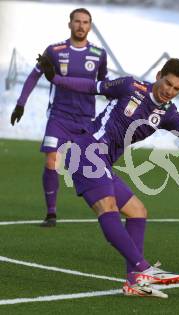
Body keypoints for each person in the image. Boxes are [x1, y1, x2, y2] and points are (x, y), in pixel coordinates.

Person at [37, 55, 179, 298]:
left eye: (177, 89)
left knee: (137, 211)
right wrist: (57, 79)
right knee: (109, 207)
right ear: (159, 76)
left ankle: (135, 283)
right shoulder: (130, 86)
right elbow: (91, 87)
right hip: (86, 150)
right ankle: (143, 268)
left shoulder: (168, 114)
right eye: (168, 83)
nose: (170, 91)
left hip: (102, 162)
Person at [10, 8, 108, 227]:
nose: (81, 26)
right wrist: (20, 104)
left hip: (86, 119)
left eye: (85, 22)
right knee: (51, 160)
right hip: (59, 117)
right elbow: (34, 75)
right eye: (77, 21)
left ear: (89, 26)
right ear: (70, 24)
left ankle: (105, 209)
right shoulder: (54, 51)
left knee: (89, 167)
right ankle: (51, 213)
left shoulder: (99, 54)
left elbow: (104, 84)